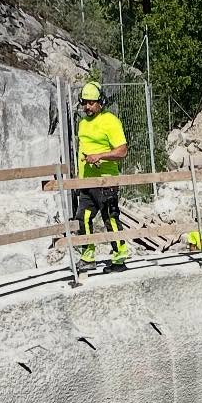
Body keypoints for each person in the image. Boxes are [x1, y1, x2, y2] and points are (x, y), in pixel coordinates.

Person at [74, 81, 128, 265]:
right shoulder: (82, 124)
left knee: (110, 218)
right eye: (84, 102)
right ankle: (88, 256)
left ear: (100, 102)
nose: (87, 107)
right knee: (84, 218)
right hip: (86, 181)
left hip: (106, 181)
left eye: (91, 102)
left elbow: (122, 151)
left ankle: (120, 256)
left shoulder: (110, 121)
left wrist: (100, 156)